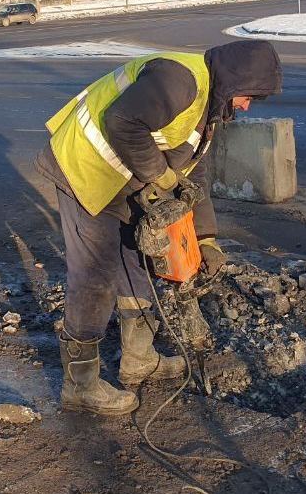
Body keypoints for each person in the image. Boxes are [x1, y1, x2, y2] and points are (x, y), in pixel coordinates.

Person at [35, 40, 283, 415]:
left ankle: (139, 358)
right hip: (85, 170)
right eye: (248, 96)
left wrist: (206, 239)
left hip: (123, 178)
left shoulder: (208, 109)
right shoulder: (178, 80)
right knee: (96, 273)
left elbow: (193, 175)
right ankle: (80, 384)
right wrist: (162, 179)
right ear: (234, 81)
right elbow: (123, 121)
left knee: (139, 260)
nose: (247, 106)